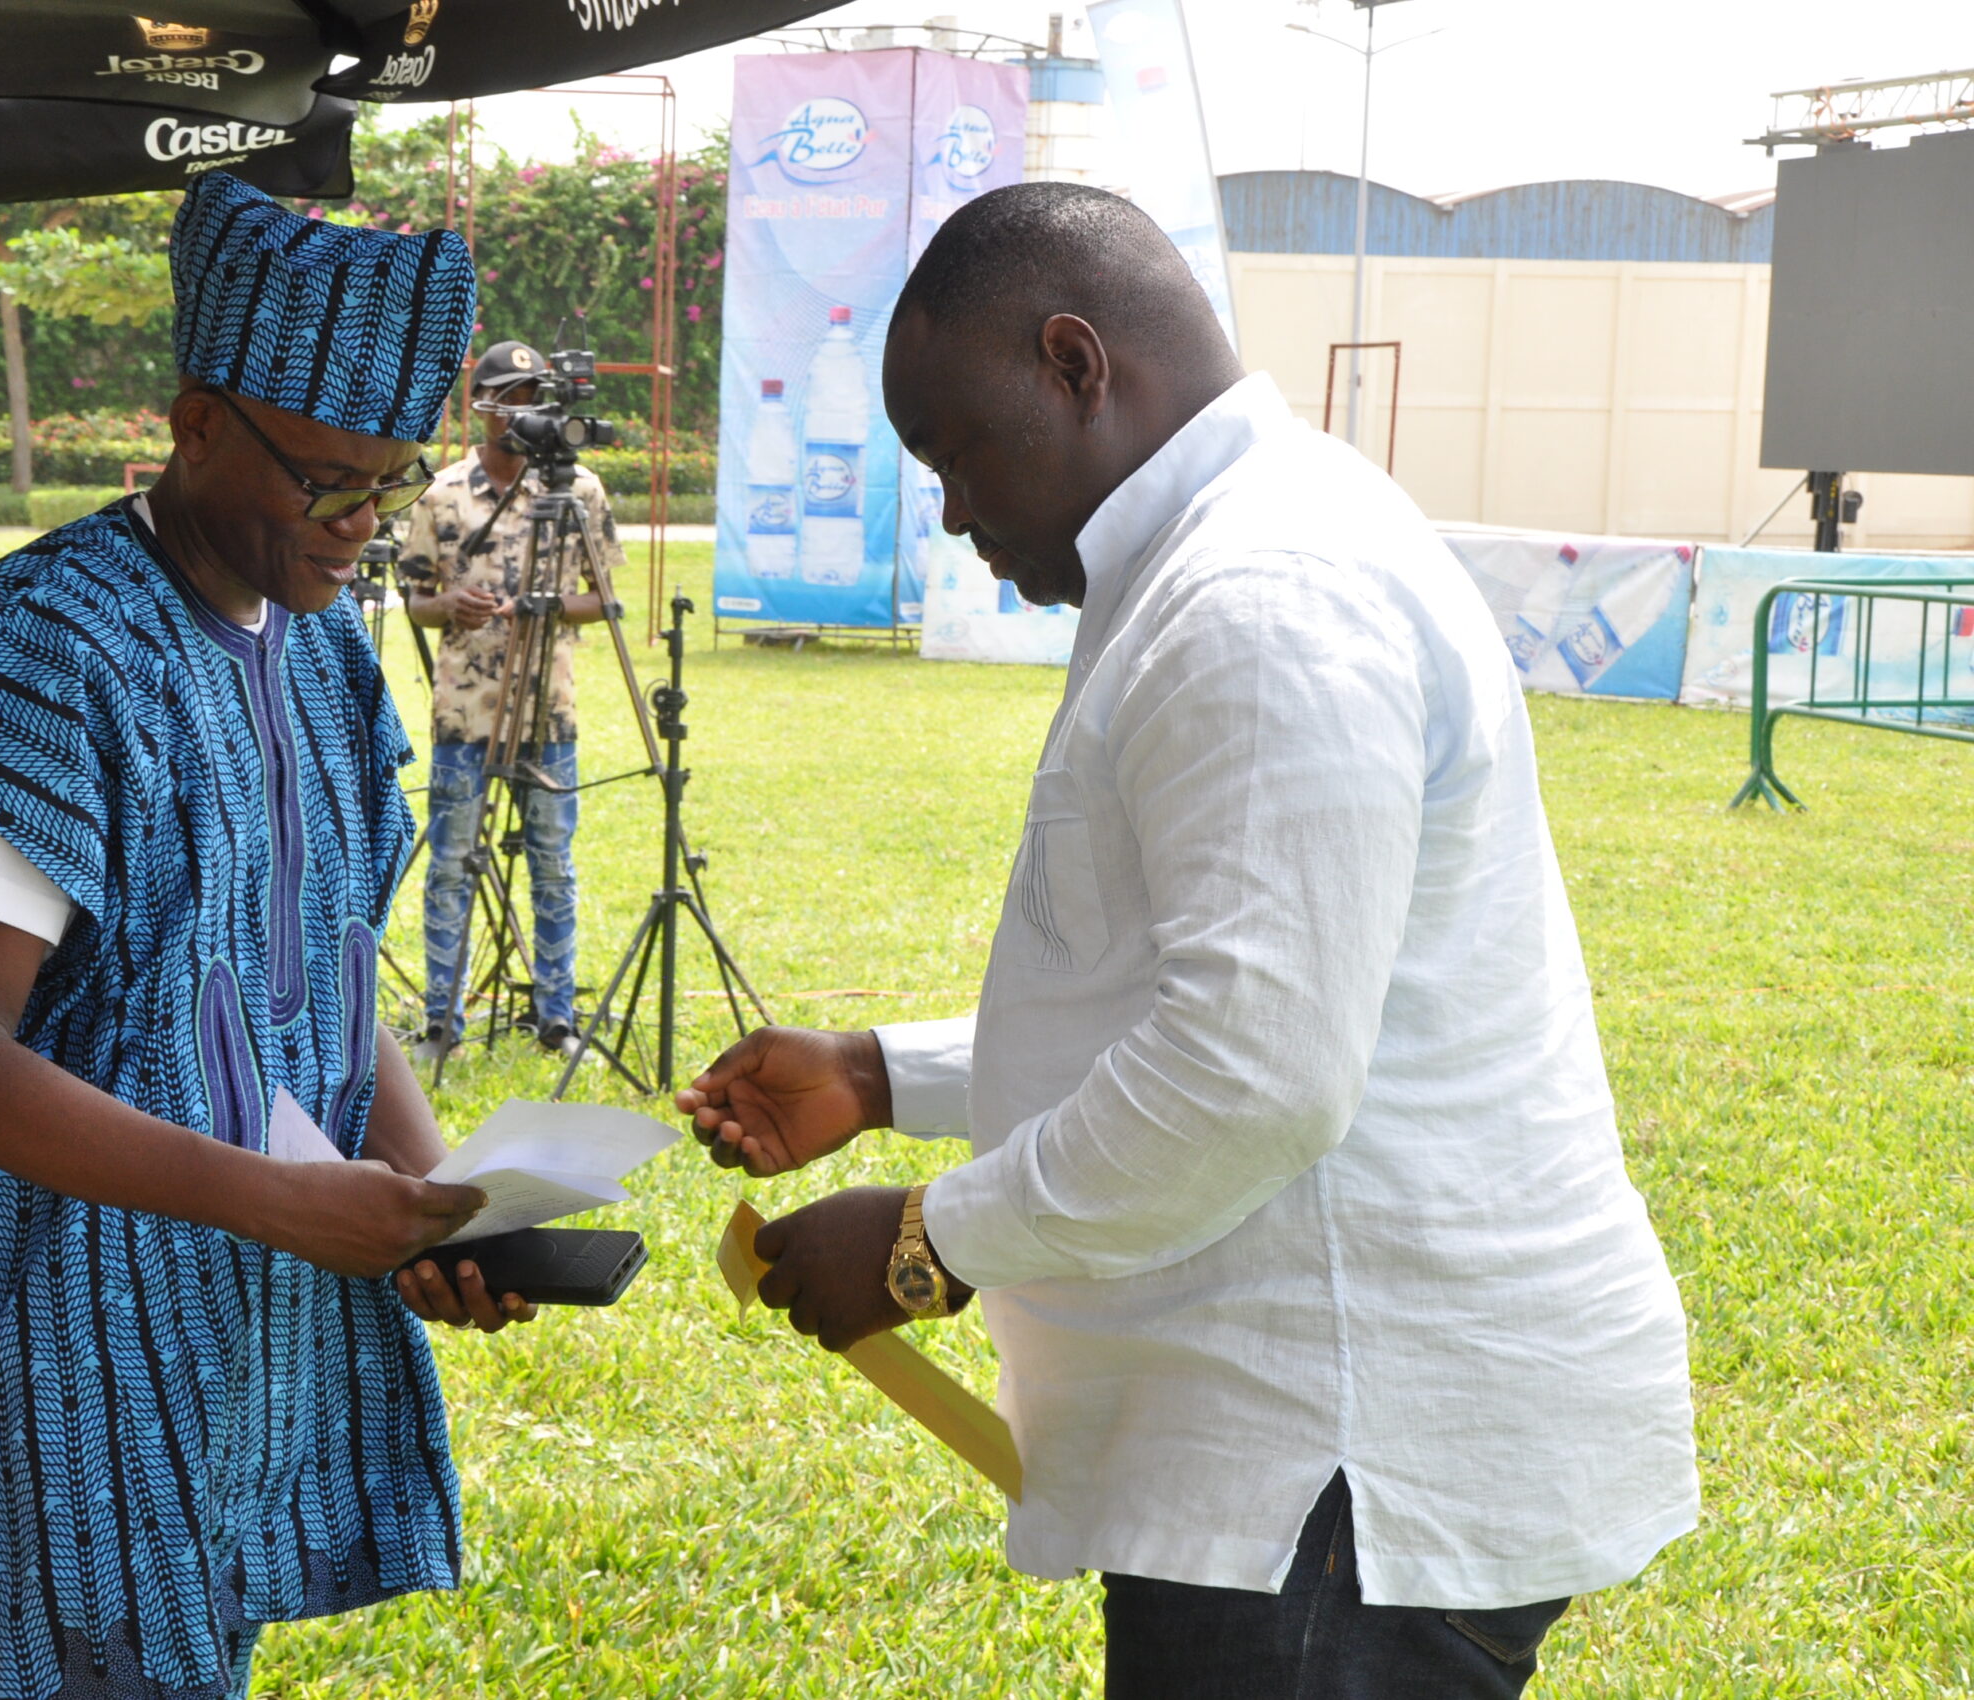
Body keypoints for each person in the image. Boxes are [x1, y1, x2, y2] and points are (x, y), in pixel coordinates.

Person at [676, 183, 1698, 1698]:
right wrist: (883, 1074)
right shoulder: (1238, 550)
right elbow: (1211, 1000)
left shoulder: (1262, 597)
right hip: (1304, 1472)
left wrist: (924, 1246)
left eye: (956, 453)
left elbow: (1254, 1075)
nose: (952, 512)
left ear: (1074, 364)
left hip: (1331, 1478)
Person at [0, 172, 541, 1700]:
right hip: (25, 1369)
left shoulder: (327, 657)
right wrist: (281, 1202)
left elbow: (319, 977)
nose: (365, 524)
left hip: (212, 1353)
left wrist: (431, 1202)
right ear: (196, 424)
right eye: (326, 482)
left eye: (390, 480)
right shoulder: (51, 649)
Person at [398, 338, 628, 1063]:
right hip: (465, 714)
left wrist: (544, 606)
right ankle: (443, 1022)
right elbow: (415, 600)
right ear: (484, 407)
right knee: (451, 867)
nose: (525, 414)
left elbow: (605, 600)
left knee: (552, 865)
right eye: (511, 401)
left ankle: (556, 1019)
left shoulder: (578, 490)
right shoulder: (442, 493)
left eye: (535, 399)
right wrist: (448, 605)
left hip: (546, 713)